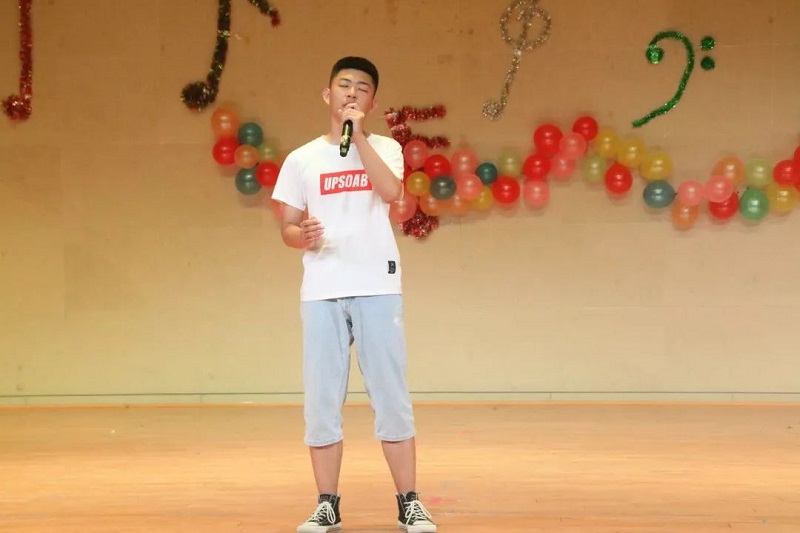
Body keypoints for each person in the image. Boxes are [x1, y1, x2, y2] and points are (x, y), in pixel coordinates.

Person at [271, 56, 437, 533]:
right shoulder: (301, 159)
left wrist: (358, 136)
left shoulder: (384, 146)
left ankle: (409, 502)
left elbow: (390, 192)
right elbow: (287, 226)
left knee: (390, 395)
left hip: (376, 287)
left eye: (361, 88)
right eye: (343, 86)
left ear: (372, 102)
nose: (351, 93)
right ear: (328, 94)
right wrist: (300, 236)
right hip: (322, 290)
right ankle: (327, 503)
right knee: (322, 400)